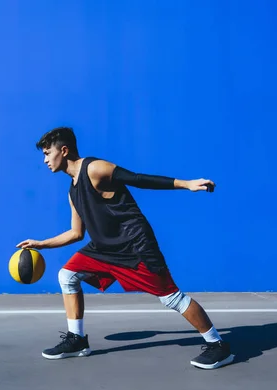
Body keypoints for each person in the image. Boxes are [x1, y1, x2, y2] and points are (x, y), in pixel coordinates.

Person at [16, 126, 234, 370]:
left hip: (135, 245)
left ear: (64, 151)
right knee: (67, 275)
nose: (45, 160)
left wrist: (187, 184)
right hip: (104, 249)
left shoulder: (95, 169)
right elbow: (77, 233)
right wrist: (41, 244)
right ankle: (77, 340)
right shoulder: (72, 191)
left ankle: (218, 345)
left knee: (171, 297)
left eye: (47, 153)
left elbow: (138, 179)